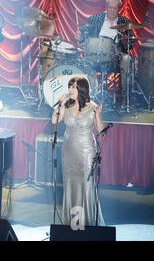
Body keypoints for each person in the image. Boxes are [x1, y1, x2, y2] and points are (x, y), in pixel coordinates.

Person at [51, 77, 108, 227]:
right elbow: (54, 120)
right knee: (70, 185)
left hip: (86, 152)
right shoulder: (67, 105)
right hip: (68, 151)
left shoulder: (92, 106)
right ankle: (73, 223)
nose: (70, 90)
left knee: (86, 186)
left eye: (74, 87)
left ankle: (87, 223)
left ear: (82, 90)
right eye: (70, 87)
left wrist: (98, 115)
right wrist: (61, 104)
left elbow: (101, 130)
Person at [75, 0, 134, 105]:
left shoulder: (125, 21)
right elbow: (83, 36)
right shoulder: (95, 19)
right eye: (110, 7)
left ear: (119, 8)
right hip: (95, 55)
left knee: (127, 59)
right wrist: (79, 37)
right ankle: (91, 94)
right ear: (106, 7)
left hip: (116, 56)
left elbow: (131, 43)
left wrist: (127, 42)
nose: (112, 10)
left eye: (115, 8)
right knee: (84, 63)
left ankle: (124, 97)